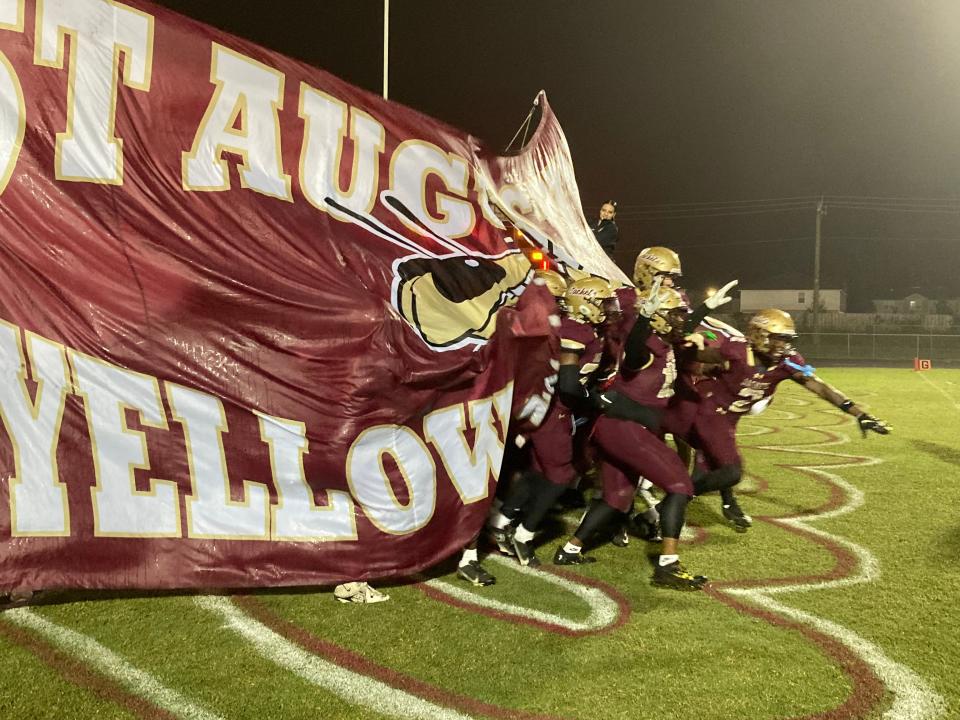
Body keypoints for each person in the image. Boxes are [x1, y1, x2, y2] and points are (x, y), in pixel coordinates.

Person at [554, 282, 708, 590]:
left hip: (620, 427)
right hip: (626, 427)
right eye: (675, 315)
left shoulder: (666, 340)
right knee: (680, 485)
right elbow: (636, 350)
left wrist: (707, 309)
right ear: (658, 318)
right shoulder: (645, 347)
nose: (682, 320)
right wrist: (643, 320)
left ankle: (570, 550)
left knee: (616, 497)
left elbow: (681, 327)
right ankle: (668, 564)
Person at [678, 308, 890, 529]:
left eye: (787, 340)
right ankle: (674, 499)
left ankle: (709, 500)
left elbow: (820, 387)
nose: (784, 346)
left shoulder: (788, 362)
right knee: (727, 470)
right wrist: (690, 344)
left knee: (717, 464)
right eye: (779, 339)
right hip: (710, 411)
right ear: (760, 335)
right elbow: (698, 356)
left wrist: (858, 413)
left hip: (732, 416)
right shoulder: (737, 349)